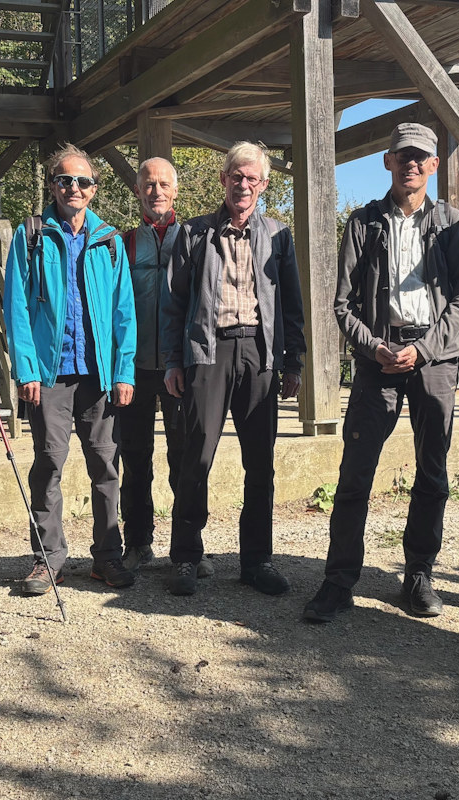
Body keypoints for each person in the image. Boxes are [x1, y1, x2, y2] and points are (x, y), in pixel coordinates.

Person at [304, 123, 459, 622]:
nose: (411, 163)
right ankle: (338, 582)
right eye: (402, 155)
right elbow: (342, 305)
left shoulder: (451, 224)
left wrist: (423, 350)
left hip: (434, 358)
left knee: (433, 472)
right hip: (378, 360)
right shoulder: (363, 224)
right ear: (387, 160)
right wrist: (376, 346)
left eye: (420, 156)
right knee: (355, 472)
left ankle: (419, 576)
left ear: (433, 165)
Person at [162, 141, 306, 597]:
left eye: (253, 179)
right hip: (209, 352)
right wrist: (173, 361)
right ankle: (186, 556)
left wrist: (293, 362)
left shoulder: (279, 236)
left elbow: (292, 306)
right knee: (196, 456)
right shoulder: (193, 233)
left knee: (260, 461)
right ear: (223, 179)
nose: (244, 185)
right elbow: (174, 304)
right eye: (236, 177)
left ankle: (256, 560)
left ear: (263, 185)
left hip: (260, 355)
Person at [2, 143, 137, 593]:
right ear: (53, 185)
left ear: (94, 189)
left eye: (82, 181)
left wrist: (123, 372)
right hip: (49, 373)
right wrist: (26, 369)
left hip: (98, 376)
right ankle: (48, 559)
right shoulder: (31, 234)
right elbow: (16, 306)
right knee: (48, 465)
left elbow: (124, 313)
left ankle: (107, 558)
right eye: (65, 179)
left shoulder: (110, 241)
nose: (73, 187)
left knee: (106, 467)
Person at [116, 157, 206, 576]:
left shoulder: (194, 238)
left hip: (180, 368)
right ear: (138, 190)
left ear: (176, 190)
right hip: (134, 369)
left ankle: (188, 549)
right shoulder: (124, 242)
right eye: (149, 184)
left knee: (184, 460)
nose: (156, 191)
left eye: (164, 184)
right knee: (135, 460)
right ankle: (138, 543)